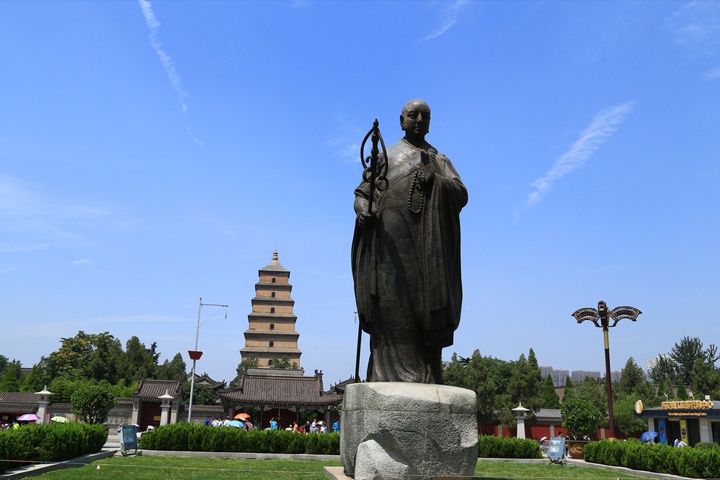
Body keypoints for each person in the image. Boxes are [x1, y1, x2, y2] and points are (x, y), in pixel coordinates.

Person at [352, 99, 467, 384]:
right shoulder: (386, 157)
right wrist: (364, 211)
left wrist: (436, 181)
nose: (419, 120)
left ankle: (426, 375)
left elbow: (461, 194)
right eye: (413, 115)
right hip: (388, 249)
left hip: (427, 250)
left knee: (424, 310)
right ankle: (383, 376)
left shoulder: (439, 159)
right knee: (390, 310)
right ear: (401, 120)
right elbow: (363, 194)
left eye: (425, 116)